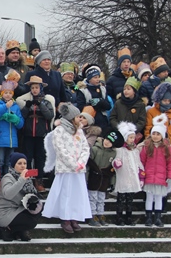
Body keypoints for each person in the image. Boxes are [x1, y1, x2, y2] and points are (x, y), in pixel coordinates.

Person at [43, 103, 92, 233]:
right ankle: (65, 218)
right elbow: (60, 149)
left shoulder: (79, 131)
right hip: (65, 168)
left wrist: (81, 162)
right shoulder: (59, 130)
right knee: (66, 193)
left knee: (77, 194)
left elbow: (85, 147)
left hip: (78, 170)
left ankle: (74, 217)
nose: (80, 119)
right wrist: (73, 164)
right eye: (78, 117)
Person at [17, 76, 55, 193]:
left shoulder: (46, 101)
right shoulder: (25, 101)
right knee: (27, 158)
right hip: (28, 134)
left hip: (41, 134)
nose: (34, 90)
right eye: (33, 88)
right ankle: (28, 180)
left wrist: (40, 105)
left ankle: (39, 181)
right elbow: (22, 116)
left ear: (40, 88)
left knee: (40, 158)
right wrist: (27, 106)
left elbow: (50, 115)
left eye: (37, 87)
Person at [0, 152, 41, 241]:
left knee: (37, 208)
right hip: (5, 212)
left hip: (17, 209)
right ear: (13, 165)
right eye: (19, 163)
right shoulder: (8, 177)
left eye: (24, 163)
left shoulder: (27, 179)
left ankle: (19, 231)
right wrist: (21, 180)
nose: (23, 166)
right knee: (31, 221)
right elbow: (8, 195)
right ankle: (6, 230)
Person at [140, 116, 171, 227]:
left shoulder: (167, 148)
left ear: (162, 135)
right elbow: (142, 161)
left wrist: (170, 176)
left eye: (158, 134)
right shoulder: (146, 147)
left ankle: (158, 217)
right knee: (149, 198)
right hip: (149, 176)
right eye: (154, 133)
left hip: (161, 177)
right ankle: (148, 217)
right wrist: (141, 174)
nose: (155, 136)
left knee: (159, 197)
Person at [86, 129, 123, 226]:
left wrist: (112, 182)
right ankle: (92, 216)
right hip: (94, 178)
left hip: (104, 179)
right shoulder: (94, 149)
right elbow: (88, 164)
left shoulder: (113, 153)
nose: (107, 142)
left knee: (101, 198)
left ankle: (100, 215)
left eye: (110, 142)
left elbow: (113, 169)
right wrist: (86, 178)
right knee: (92, 198)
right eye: (107, 139)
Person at [0, 72, 24, 175]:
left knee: (9, 163)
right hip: (0, 139)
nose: (8, 95)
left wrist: (16, 119)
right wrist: (5, 107)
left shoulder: (15, 106)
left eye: (10, 93)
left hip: (12, 140)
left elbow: (21, 124)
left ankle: (7, 179)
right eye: (6, 93)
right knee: (0, 161)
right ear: (2, 94)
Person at [113, 121, 143, 226]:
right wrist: (116, 163)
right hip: (123, 177)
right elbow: (115, 161)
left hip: (132, 178)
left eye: (133, 137)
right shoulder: (120, 150)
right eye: (130, 137)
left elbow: (138, 163)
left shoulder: (135, 151)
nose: (132, 139)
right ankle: (119, 217)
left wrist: (141, 176)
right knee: (121, 198)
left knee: (130, 199)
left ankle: (129, 217)